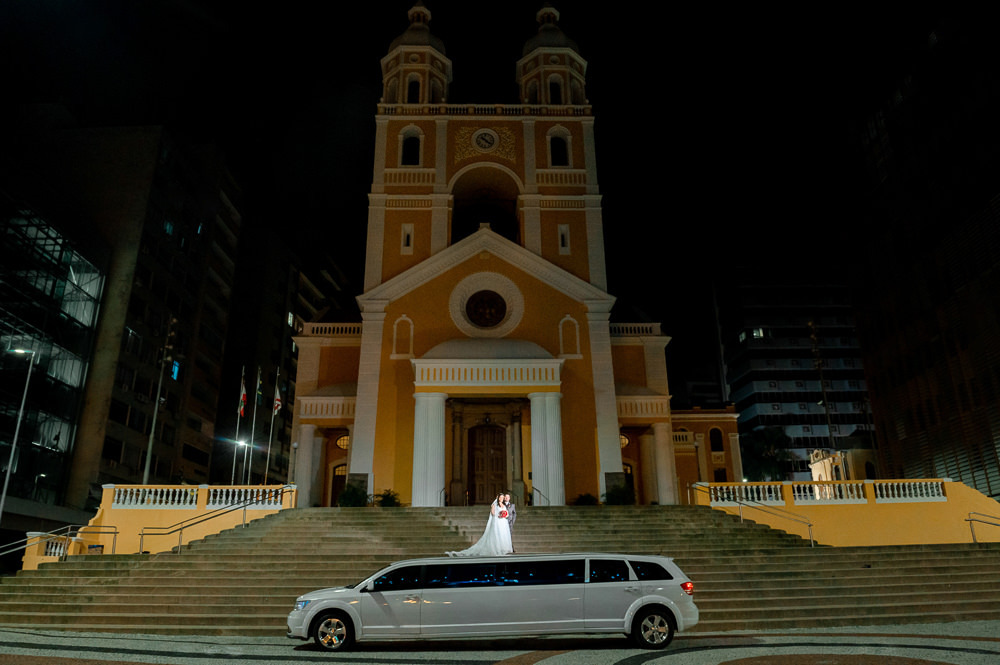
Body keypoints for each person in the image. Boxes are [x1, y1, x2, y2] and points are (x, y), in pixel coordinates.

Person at [446, 493, 512, 557]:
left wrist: (504, 515)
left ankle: (503, 549)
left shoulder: (504, 505)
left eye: (502, 497)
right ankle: (496, 549)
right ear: (498, 498)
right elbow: (492, 513)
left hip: (503, 522)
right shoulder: (494, 504)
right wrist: (499, 515)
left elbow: (507, 513)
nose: (501, 498)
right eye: (500, 497)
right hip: (497, 521)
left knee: (503, 535)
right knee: (497, 535)